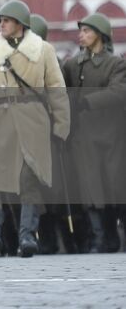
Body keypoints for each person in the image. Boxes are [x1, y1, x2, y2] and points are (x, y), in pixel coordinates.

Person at [0, 0, 71, 258]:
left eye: (6, 20)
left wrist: (61, 127)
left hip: (33, 119)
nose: (1, 25)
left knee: (30, 177)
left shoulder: (44, 50)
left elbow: (57, 90)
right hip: (0, 120)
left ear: (20, 23)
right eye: (0, 21)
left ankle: (28, 236)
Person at [63, 13, 126, 252]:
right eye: (81, 31)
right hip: (83, 136)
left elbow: (120, 91)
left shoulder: (115, 63)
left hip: (111, 135)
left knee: (112, 186)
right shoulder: (73, 64)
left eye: (87, 31)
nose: (81, 35)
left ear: (100, 35)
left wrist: (87, 101)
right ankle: (99, 238)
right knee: (90, 187)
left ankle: (112, 236)